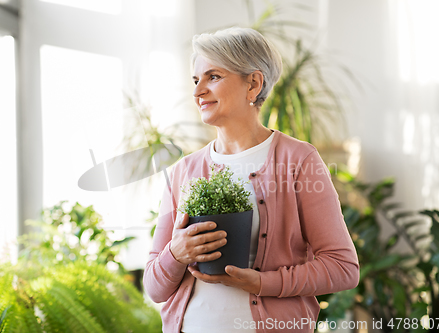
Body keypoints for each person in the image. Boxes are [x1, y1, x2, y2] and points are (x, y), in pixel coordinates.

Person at [143, 27, 359, 333]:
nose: (198, 91)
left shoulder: (298, 160)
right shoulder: (184, 171)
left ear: (253, 83)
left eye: (213, 77)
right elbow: (154, 287)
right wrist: (176, 253)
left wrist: (261, 282)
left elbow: (343, 268)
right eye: (195, 80)